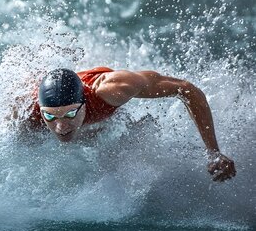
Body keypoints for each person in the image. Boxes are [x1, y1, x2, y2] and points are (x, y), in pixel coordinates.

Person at [14, 67, 236, 182]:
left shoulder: (113, 90)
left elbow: (187, 89)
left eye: (70, 114)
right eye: (51, 117)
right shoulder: (29, 113)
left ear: (84, 103)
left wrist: (213, 151)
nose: (60, 126)